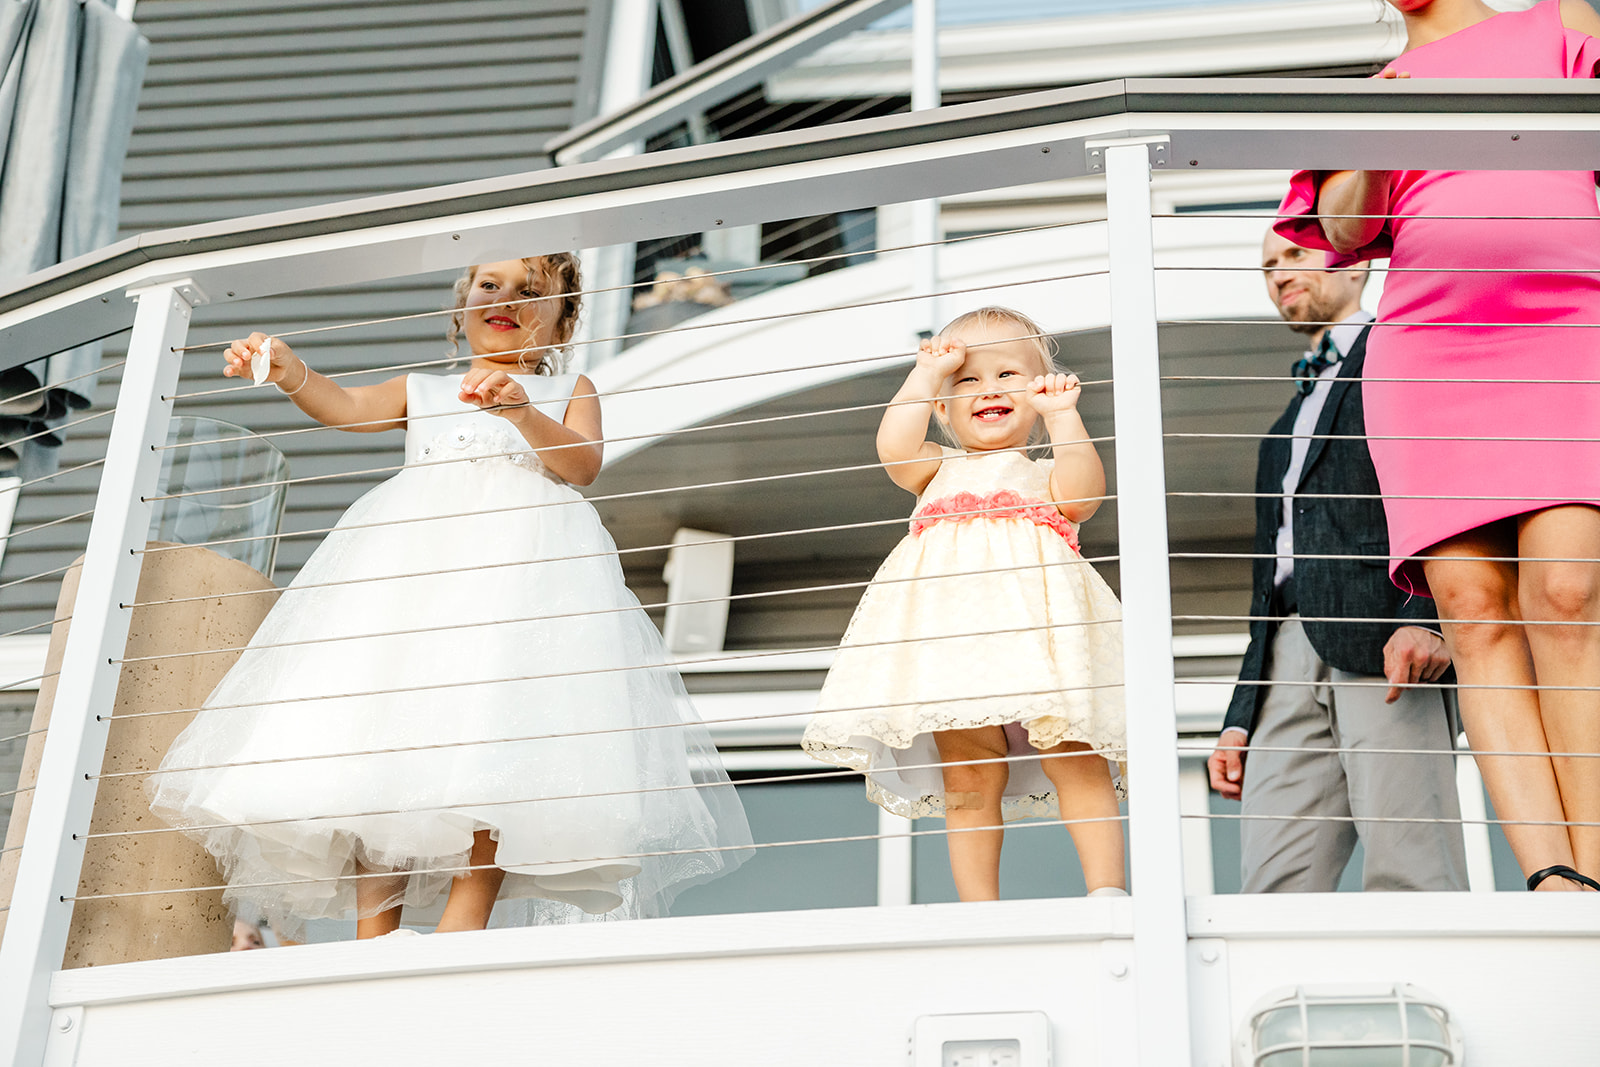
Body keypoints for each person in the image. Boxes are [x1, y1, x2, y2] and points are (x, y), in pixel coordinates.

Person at [150, 255, 752, 939]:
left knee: (495, 744)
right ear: (462, 304)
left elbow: (581, 461)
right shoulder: (428, 389)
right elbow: (346, 407)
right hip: (415, 586)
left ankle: (464, 922)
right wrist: (294, 374)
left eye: (532, 291)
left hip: (518, 586)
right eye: (489, 285)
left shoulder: (567, 389)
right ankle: (373, 930)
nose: (505, 298)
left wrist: (521, 411)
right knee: (385, 745)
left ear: (562, 323)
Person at [1275, 0, 1600, 892]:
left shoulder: (1559, 20)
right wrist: (1380, 135)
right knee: (1472, 605)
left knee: (1568, 591)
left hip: (1571, 325)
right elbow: (1343, 236)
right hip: (1433, 346)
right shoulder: (1376, 87)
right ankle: (1556, 877)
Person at [802, 306, 1126, 901]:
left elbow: (1082, 498)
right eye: (967, 381)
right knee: (969, 774)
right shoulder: (936, 468)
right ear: (943, 410)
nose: (989, 390)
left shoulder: (1046, 471)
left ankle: (1106, 888)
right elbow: (893, 446)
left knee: (1074, 752)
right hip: (955, 647)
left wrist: (1065, 419)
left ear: (1038, 391)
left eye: (1008, 375)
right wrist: (925, 374)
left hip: (1041, 637)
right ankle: (980, 908)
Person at [1207, 230, 1467, 893]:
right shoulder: (1280, 431)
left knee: (1413, 868)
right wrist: (1241, 715)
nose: (1278, 274)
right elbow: (1267, 587)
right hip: (1285, 664)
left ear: (1357, 265)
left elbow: (1446, 486)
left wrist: (1428, 616)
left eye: (1293, 254)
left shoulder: (1404, 353)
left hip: (1387, 639)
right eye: (1267, 264)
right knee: (1271, 889)